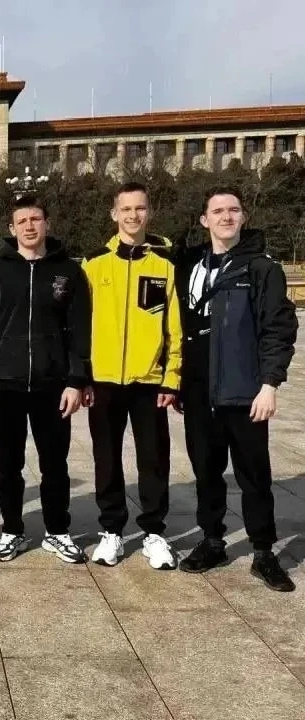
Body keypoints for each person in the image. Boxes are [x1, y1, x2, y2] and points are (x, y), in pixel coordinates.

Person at [175, 187, 298, 592]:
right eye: (218, 211)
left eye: (234, 210)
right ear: (204, 220)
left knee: (254, 475)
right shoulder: (189, 266)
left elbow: (278, 328)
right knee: (206, 471)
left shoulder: (262, 268)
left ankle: (263, 552)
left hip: (245, 391)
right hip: (198, 392)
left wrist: (270, 384)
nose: (226, 217)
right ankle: (213, 541)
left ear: (243, 217)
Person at [0, 194, 92, 564]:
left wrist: (76, 380)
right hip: (5, 384)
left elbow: (80, 329)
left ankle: (57, 531)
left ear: (47, 224)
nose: (29, 226)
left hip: (52, 385)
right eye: (22, 220)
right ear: (12, 228)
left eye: (35, 219)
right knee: (7, 464)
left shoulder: (68, 271)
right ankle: (12, 531)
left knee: (54, 464)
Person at [81, 181, 182, 569]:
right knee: (106, 458)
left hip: (148, 382)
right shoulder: (94, 265)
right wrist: (82, 376)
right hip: (104, 380)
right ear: (114, 214)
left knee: (153, 459)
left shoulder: (164, 266)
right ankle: (112, 530)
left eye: (140, 208)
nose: (133, 215)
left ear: (149, 212)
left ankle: (154, 532)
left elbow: (173, 328)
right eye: (126, 209)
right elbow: (80, 325)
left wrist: (171, 376)